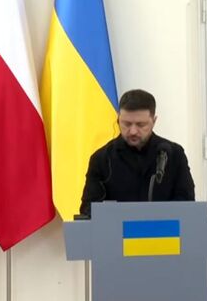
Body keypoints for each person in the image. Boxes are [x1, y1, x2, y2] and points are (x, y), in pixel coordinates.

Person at [79, 89, 195, 217]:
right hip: (115, 229)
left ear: (154, 121)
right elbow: (89, 210)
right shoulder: (101, 159)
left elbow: (187, 203)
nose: (133, 131)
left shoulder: (174, 154)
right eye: (127, 124)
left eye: (141, 125)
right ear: (118, 119)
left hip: (165, 228)